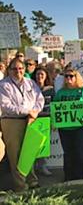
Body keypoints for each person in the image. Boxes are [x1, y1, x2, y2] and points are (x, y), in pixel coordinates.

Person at [0, 57, 44, 191]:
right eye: (14, 69)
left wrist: (35, 112)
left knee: (29, 152)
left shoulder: (30, 83)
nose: (18, 71)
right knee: (15, 155)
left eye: (20, 68)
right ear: (9, 70)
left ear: (24, 69)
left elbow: (39, 99)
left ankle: (32, 181)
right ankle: (21, 186)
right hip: (12, 122)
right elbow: (6, 106)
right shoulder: (3, 85)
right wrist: (28, 111)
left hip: (31, 120)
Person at [53, 67, 83, 181]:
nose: (69, 78)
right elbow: (56, 108)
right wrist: (54, 123)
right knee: (68, 153)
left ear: (76, 77)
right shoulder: (60, 92)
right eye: (66, 76)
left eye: (71, 76)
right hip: (65, 128)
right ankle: (68, 177)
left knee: (79, 153)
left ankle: (79, 177)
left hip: (79, 127)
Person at [31, 66, 55, 176]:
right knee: (32, 144)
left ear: (45, 76)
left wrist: (53, 121)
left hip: (46, 119)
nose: (39, 76)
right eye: (37, 74)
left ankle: (42, 165)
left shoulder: (50, 89)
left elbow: (55, 106)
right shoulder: (30, 88)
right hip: (33, 120)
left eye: (42, 74)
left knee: (43, 145)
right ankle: (32, 168)